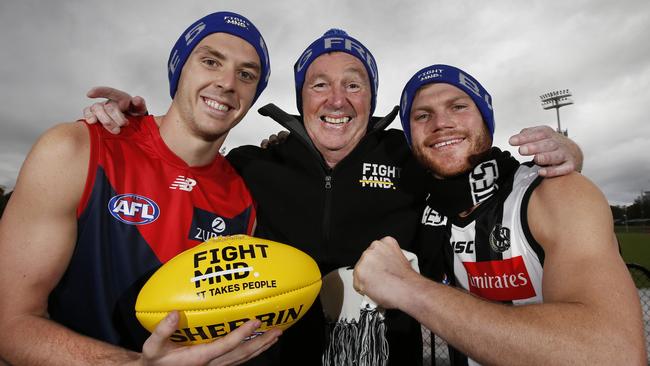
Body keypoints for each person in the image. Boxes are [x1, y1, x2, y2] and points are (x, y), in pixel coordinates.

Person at [82, 30, 583, 365]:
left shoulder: (411, 159)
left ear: (371, 97)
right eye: (319, 84)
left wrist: (562, 153)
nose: (336, 99)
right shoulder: (254, 165)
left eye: (354, 84)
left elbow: (472, 163)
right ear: (302, 98)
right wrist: (133, 127)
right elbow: (182, 166)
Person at [0, 11, 282, 365]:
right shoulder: (77, 149)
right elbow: (9, 323)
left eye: (246, 75)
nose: (227, 82)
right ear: (179, 70)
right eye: (211, 61)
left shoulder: (244, 199)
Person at [352, 64, 647, 365]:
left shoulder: (553, 193)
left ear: (485, 119)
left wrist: (409, 288)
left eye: (458, 106)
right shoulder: (420, 207)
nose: (441, 123)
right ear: (411, 136)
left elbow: (615, 354)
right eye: (422, 115)